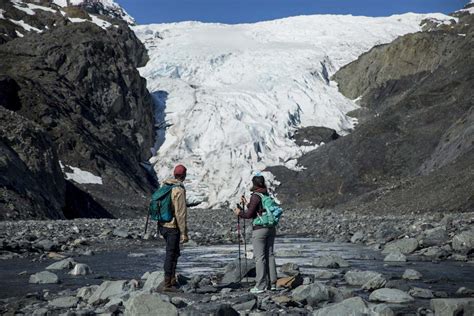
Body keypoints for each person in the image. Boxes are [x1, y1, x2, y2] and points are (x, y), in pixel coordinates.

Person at [234, 174, 277, 294]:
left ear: (254, 184)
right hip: (271, 227)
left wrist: (239, 212)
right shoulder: (265, 194)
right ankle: (272, 283)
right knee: (270, 255)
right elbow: (257, 209)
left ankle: (260, 285)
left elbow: (248, 215)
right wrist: (247, 203)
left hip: (259, 229)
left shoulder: (255, 196)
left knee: (260, 258)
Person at [159, 164, 189, 292]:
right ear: (184, 175)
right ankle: (168, 283)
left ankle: (171, 279)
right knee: (171, 253)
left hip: (162, 225)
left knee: (174, 252)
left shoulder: (165, 185)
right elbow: (180, 213)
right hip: (173, 226)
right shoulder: (179, 190)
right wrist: (184, 233)